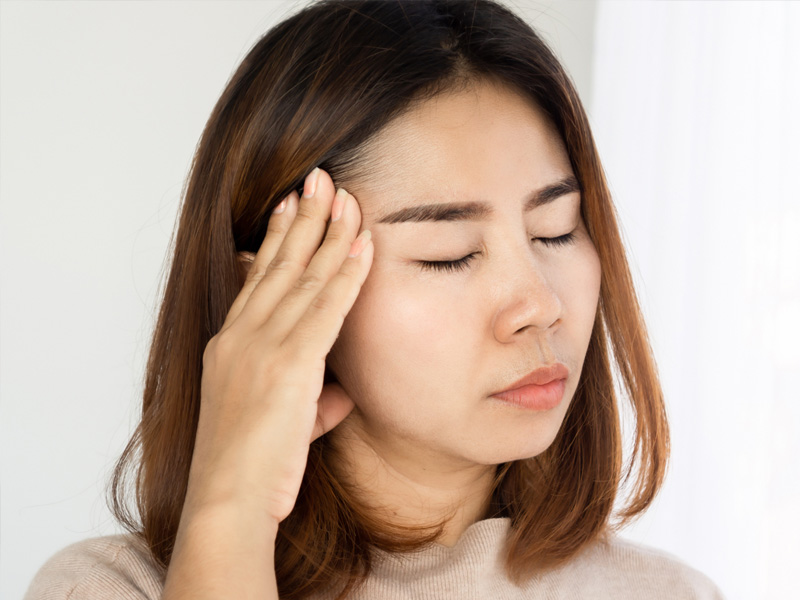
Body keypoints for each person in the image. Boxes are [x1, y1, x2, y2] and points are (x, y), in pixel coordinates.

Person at [24, 1, 725, 598]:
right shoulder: (113, 588)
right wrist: (230, 512)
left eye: (556, 230)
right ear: (273, 289)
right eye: (450, 253)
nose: (540, 305)